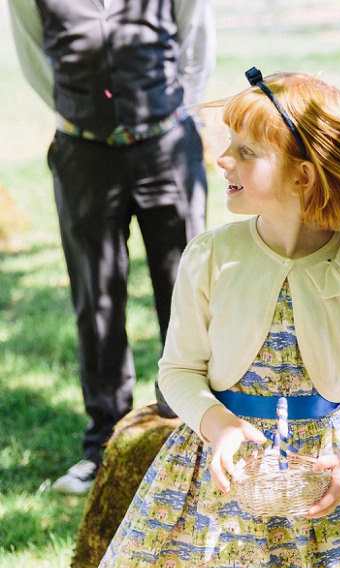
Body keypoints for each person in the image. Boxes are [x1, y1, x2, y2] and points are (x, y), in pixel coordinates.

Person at [77, 70, 340, 568]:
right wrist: (219, 428)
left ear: (302, 174)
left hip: (322, 474)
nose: (223, 161)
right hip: (225, 476)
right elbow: (178, 371)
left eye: (246, 152)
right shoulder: (211, 256)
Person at [8, 0, 213, 494]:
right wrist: (77, 109)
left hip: (165, 144)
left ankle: (191, 432)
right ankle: (103, 446)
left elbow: (195, 41)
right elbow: (36, 57)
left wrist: (175, 111)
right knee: (95, 298)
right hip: (83, 151)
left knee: (188, 292)